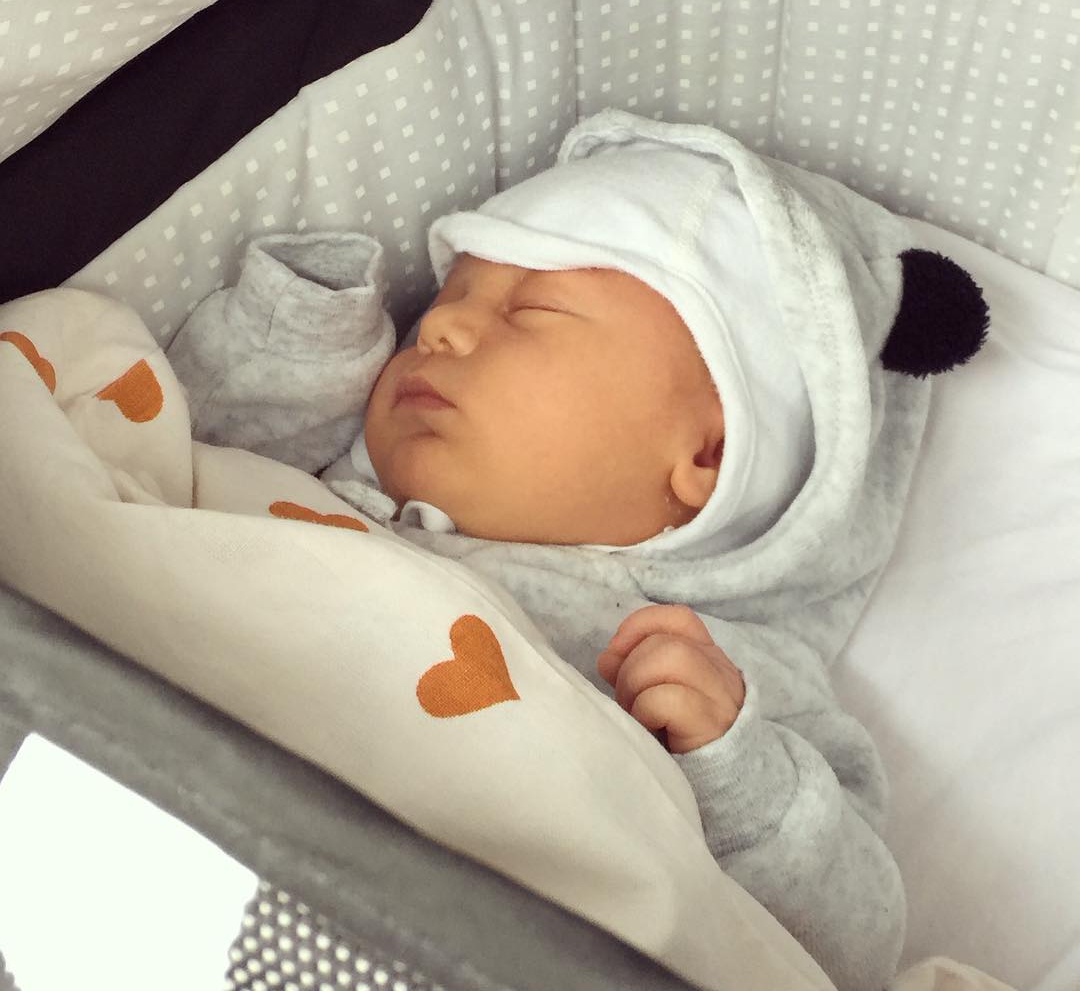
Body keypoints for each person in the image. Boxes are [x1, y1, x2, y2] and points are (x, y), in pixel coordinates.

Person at [168, 109, 987, 991]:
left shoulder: (725, 671)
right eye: (446, 298)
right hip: (192, 794)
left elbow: (850, 950)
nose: (439, 329)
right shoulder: (336, 477)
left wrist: (736, 775)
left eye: (532, 312)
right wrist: (304, 328)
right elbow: (188, 465)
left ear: (708, 458)